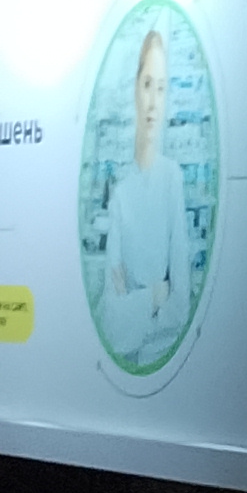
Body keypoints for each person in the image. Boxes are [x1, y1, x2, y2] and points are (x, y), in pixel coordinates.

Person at [98, 27, 186, 354]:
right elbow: (110, 318)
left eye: (161, 89)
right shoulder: (121, 192)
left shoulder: (172, 179)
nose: (152, 102)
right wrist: (154, 296)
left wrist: (134, 306)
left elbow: (181, 305)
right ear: (135, 89)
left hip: (164, 358)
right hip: (130, 360)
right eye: (147, 85)